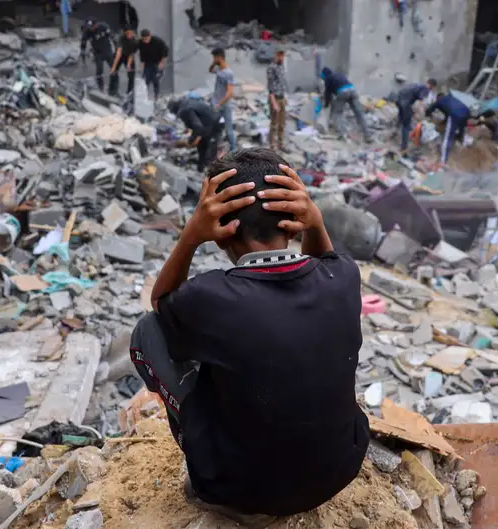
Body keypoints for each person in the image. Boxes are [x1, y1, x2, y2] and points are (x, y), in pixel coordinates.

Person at [129, 147, 369, 526]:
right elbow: (328, 264)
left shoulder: (210, 297)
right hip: (336, 473)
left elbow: (159, 303)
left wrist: (191, 237)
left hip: (234, 489)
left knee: (149, 332)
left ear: (220, 231)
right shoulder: (345, 279)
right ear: (294, 219)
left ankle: (202, 448)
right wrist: (316, 225)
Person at [168, 97, 225, 172]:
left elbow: (197, 126)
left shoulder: (184, 110)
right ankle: (201, 168)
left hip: (215, 124)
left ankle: (210, 171)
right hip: (214, 121)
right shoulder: (187, 102)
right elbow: (197, 122)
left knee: (208, 148)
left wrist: (191, 140)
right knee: (203, 146)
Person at [320, 67, 371, 143]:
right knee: (359, 114)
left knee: (337, 113)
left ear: (324, 75)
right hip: (353, 90)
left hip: (342, 92)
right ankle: (367, 135)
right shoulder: (339, 74)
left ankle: (342, 134)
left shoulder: (328, 79)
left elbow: (328, 94)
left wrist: (326, 105)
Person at [426, 91, 472, 164]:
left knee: (448, 137)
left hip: (455, 114)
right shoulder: (451, 99)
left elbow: (431, 108)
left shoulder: (440, 100)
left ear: (438, 97)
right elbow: (447, 115)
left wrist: (427, 115)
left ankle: (443, 160)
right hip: (466, 113)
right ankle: (464, 153)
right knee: (461, 132)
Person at [394, 79, 436, 153]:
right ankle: (404, 147)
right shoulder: (426, 88)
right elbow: (420, 100)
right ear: (432, 86)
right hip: (405, 103)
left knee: (402, 116)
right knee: (406, 125)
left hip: (399, 99)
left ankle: (395, 132)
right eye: (432, 87)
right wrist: (421, 115)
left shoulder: (418, 83)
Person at [209, 48, 236, 151]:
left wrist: (219, 103)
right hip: (216, 103)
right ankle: (215, 148)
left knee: (229, 129)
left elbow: (230, 92)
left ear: (220, 57)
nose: (214, 59)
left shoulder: (228, 73)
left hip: (224, 104)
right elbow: (210, 70)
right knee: (214, 127)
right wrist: (214, 62)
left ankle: (233, 150)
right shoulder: (218, 69)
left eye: (215, 57)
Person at [79, 19, 116, 93]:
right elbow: (83, 48)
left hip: (107, 50)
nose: (91, 28)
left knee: (114, 69)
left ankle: (113, 89)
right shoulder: (87, 32)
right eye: (89, 27)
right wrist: (83, 62)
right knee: (99, 71)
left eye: (93, 26)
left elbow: (113, 38)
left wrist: (116, 50)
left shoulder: (103, 26)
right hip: (97, 53)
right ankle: (101, 88)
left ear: (96, 24)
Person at [266, 49, 288, 151]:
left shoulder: (282, 66)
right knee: (274, 124)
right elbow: (270, 86)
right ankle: (272, 145)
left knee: (282, 123)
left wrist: (285, 97)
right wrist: (273, 102)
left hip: (282, 97)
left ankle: (281, 143)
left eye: (282, 55)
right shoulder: (271, 68)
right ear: (275, 55)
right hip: (275, 99)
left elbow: (282, 83)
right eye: (279, 55)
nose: (281, 57)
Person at [139, 29, 169, 101]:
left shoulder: (157, 41)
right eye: (144, 39)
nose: (145, 40)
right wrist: (142, 68)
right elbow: (142, 56)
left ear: (150, 36)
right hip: (148, 63)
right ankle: (144, 97)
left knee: (156, 79)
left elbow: (165, 51)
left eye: (147, 38)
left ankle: (156, 96)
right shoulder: (141, 43)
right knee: (146, 80)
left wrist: (162, 63)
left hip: (157, 62)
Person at [109, 27, 139, 98]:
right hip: (119, 55)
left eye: (131, 33)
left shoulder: (135, 41)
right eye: (128, 33)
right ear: (125, 33)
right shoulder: (121, 39)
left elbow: (131, 54)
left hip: (128, 56)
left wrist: (128, 64)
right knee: (113, 72)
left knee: (131, 73)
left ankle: (130, 93)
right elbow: (118, 54)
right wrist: (113, 67)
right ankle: (112, 91)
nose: (130, 35)